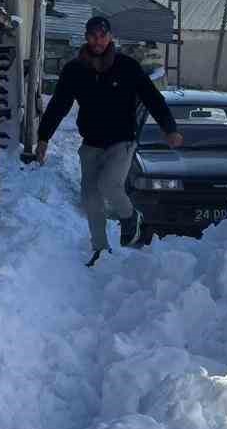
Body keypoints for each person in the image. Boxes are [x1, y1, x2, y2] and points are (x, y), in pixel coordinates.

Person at [32, 14, 181, 266]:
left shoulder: (127, 67)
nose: (98, 41)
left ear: (110, 37)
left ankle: (130, 215)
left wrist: (169, 128)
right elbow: (58, 106)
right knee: (91, 200)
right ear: (86, 38)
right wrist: (44, 138)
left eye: (103, 35)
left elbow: (153, 98)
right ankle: (100, 250)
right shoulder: (75, 70)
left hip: (121, 141)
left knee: (110, 185)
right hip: (91, 143)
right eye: (93, 36)